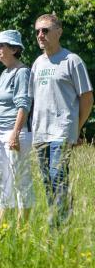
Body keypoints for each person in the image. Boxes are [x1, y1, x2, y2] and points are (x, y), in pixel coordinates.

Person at [31, 14, 93, 226]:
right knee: (48, 182)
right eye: (38, 31)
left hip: (62, 131)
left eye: (45, 30)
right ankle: (56, 225)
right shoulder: (37, 63)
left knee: (58, 176)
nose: (41, 35)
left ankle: (62, 226)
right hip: (40, 133)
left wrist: (75, 128)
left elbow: (87, 97)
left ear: (59, 32)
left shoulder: (72, 61)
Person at [0, 30, 33, 223]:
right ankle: (3, 225)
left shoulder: (22, 72)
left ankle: (22, 227)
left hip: (15, 133)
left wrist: (15, 133)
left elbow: (23, 105)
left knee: (20, 180)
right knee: (0, 179)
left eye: (1, 45)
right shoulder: (5, 73)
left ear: (14, 49)